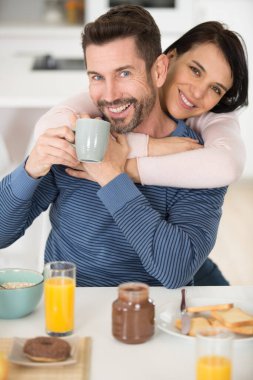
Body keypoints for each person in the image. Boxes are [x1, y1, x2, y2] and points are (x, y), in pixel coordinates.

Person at [0, 5, 240, 287]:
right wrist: (29, 170)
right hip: (67, 313)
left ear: (160, 69)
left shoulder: (195, 157)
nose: (110, 95)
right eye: (97, 77)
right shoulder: (79, 133)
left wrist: (111, 176)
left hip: (149, 318)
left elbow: (176, 271)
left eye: (124, 74)